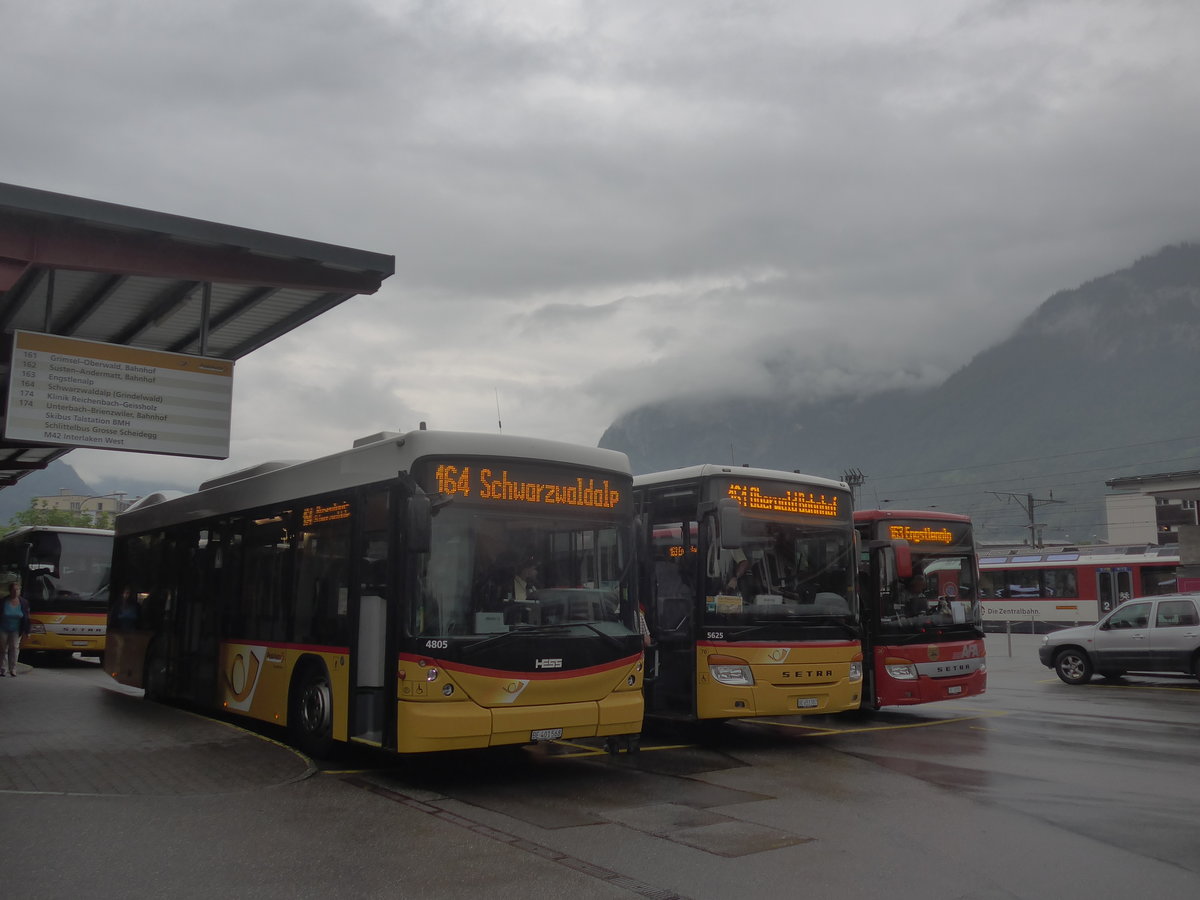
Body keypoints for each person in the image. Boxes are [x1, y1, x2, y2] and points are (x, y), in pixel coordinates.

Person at [0, 577, 31, 677]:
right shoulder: (3, 601)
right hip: (3, 628)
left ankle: (13, 669)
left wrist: (27, 631)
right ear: (10, 591)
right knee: (3, 649)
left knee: (14, 648)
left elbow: (27, 618)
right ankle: (2, 669)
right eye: (13, 590)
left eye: (17, 590)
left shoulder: (23, 602)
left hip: (16, 629)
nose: (15, 592)